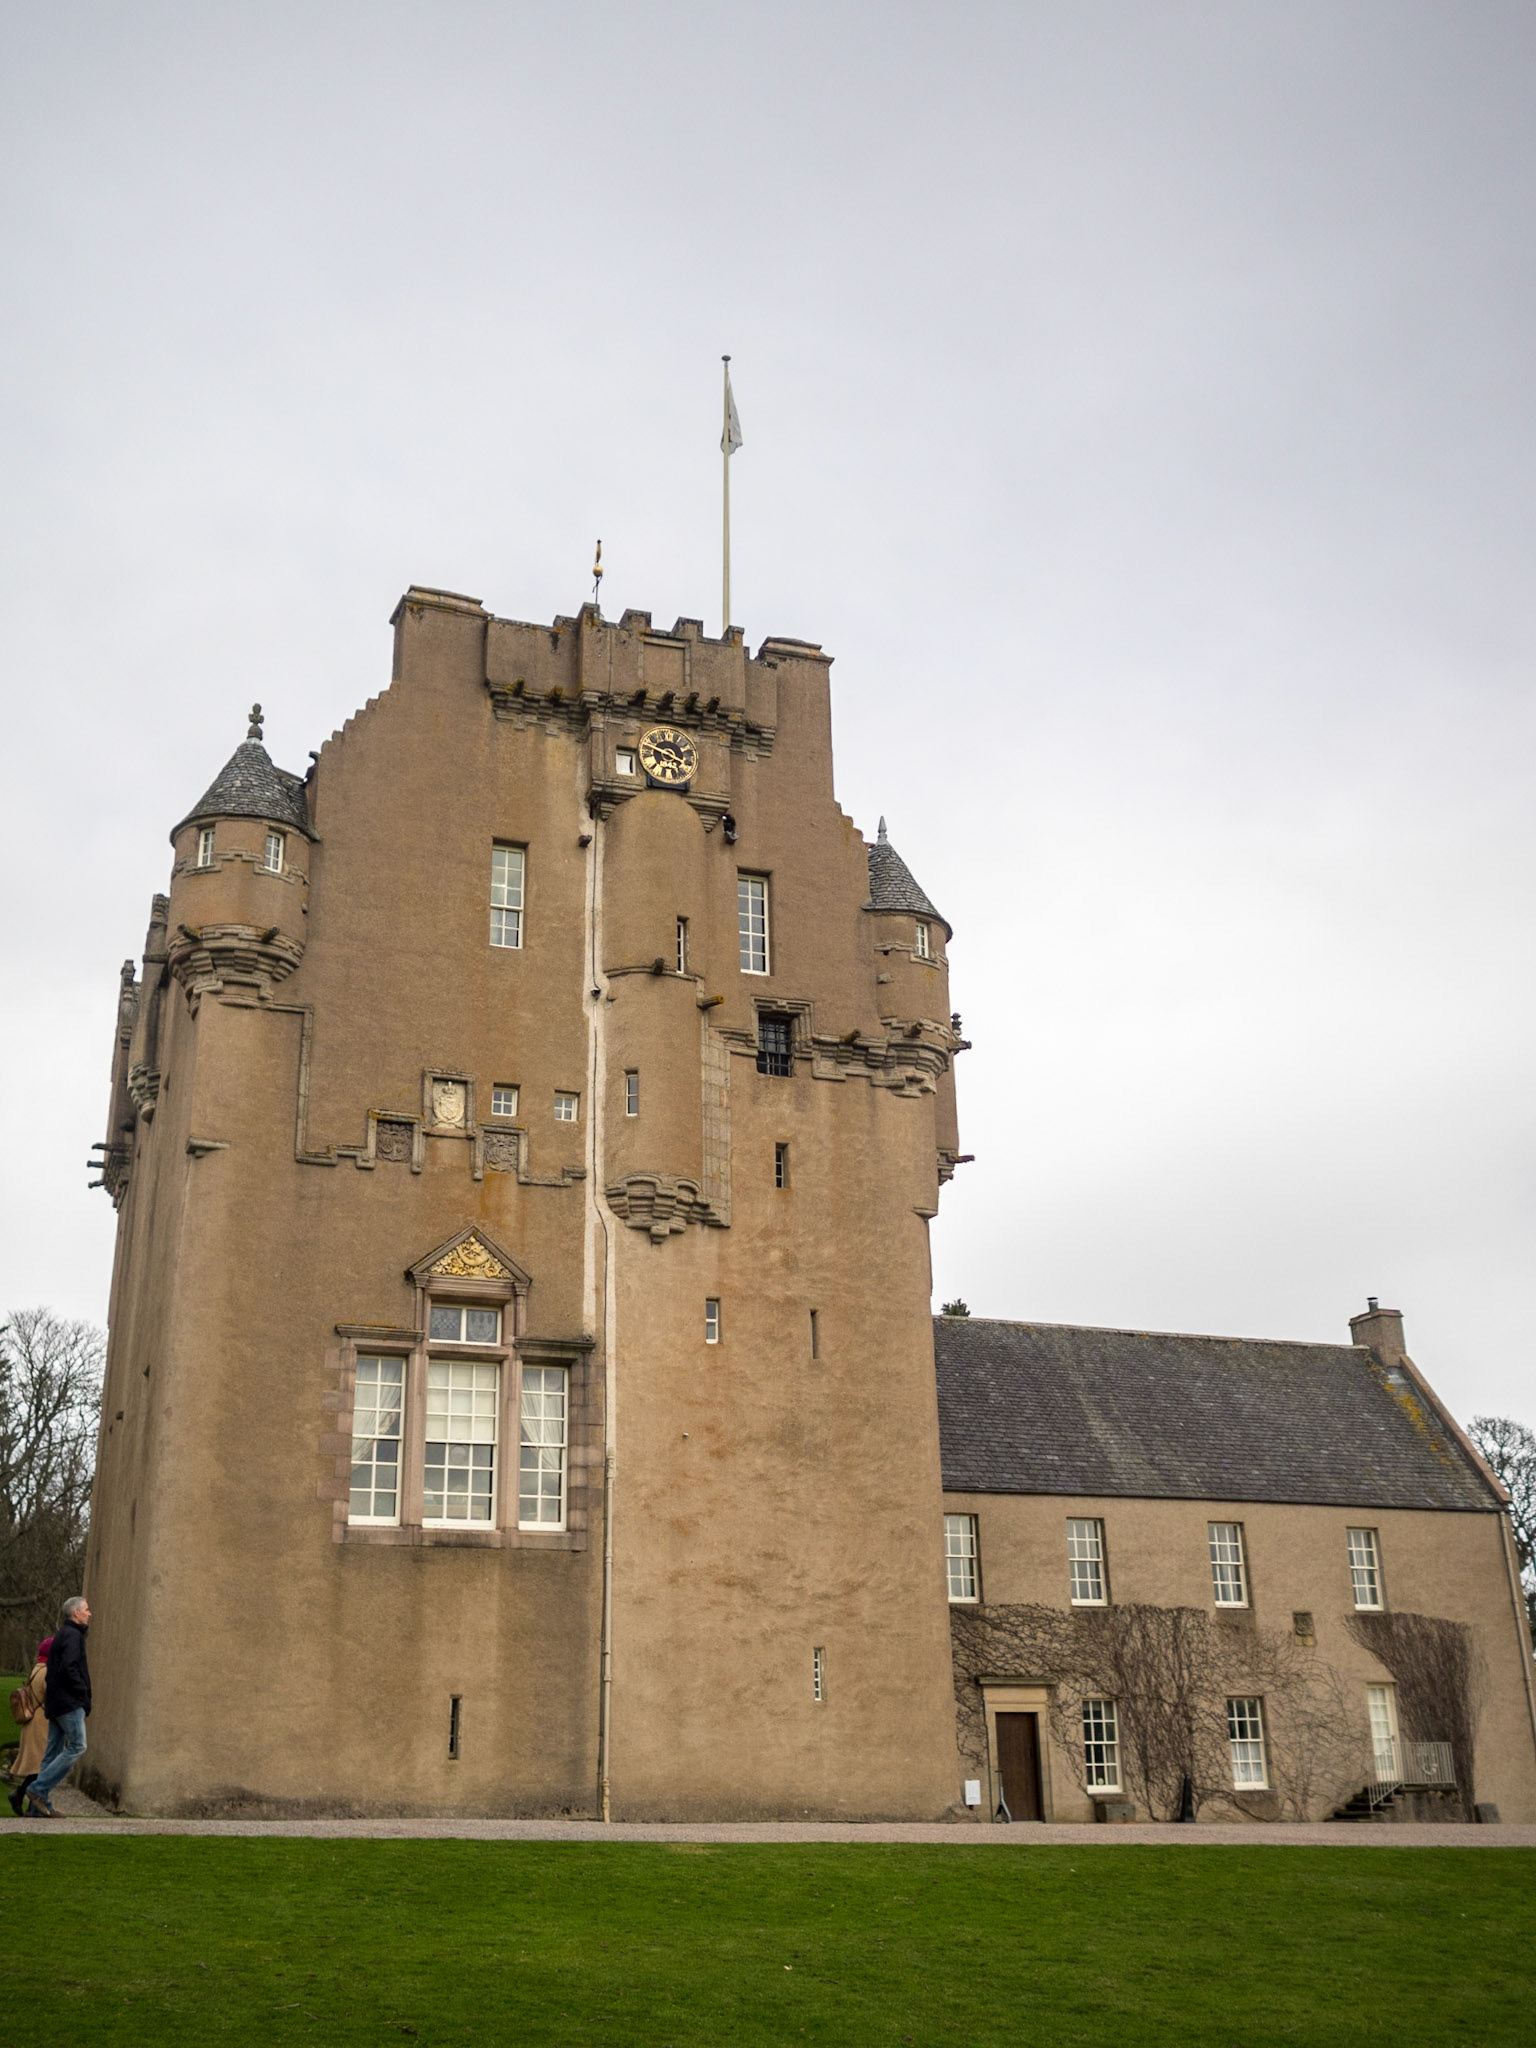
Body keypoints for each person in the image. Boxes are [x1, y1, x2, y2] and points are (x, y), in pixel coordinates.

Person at [27, 1596, 92, 1819]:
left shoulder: (62, 1635)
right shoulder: (73, 1636)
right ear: (76, 1614)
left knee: (52, 1752)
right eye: (86, 1610)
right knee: (77, 1745)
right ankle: (37, 1790)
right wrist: (82, 1691)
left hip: (56, 1702)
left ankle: (38, 1807)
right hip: (68, 1702)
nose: (89, 1613)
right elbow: (69, 1667)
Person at [7, 1637, 52, 1816]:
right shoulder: (48, 1671)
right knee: (42, 1766)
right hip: (41, 1721)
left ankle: (26, 1801)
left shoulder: (36, 1669)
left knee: (38, 1766)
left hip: (31, 1721)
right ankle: (21, 1796)